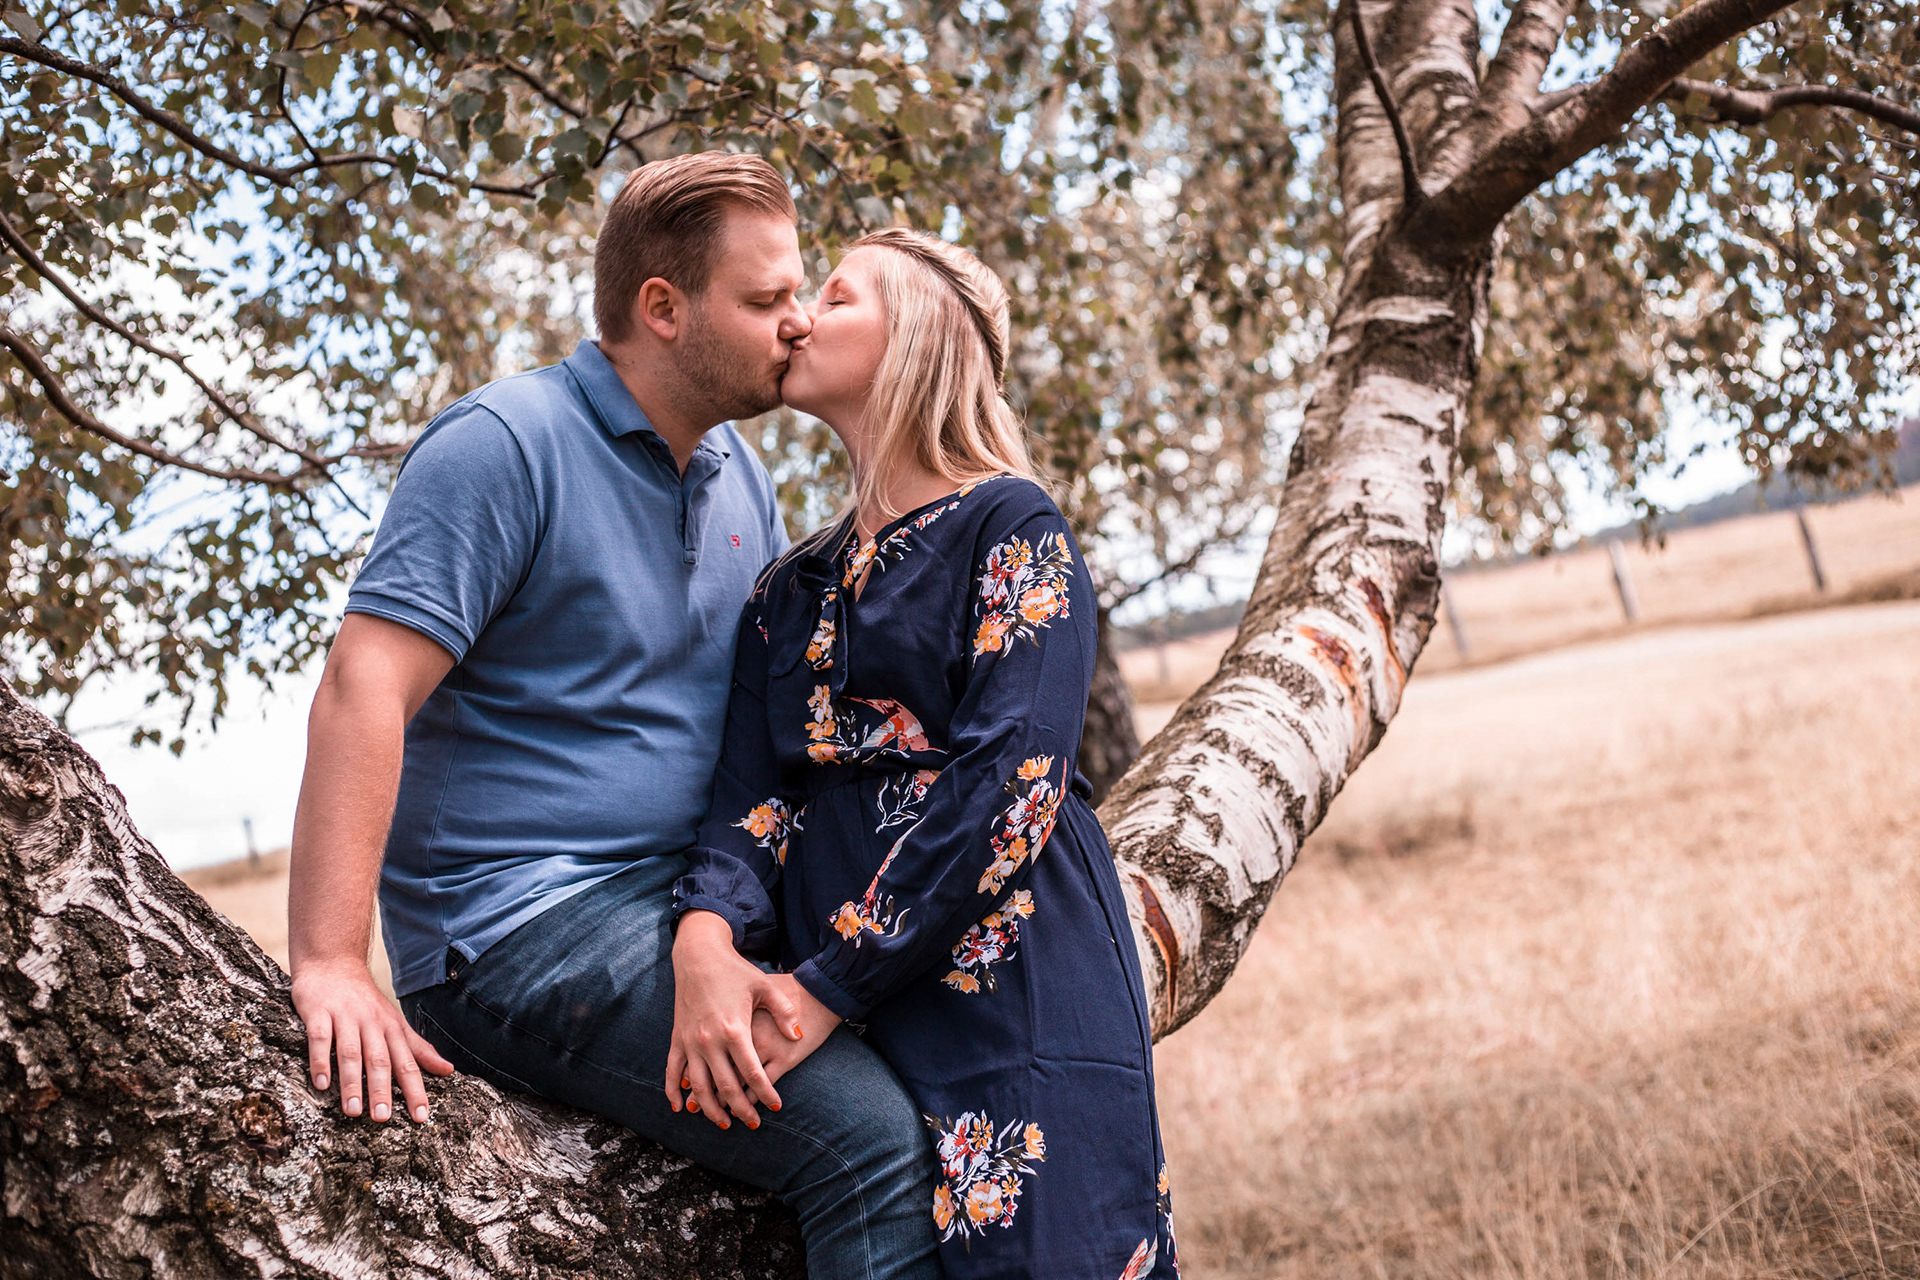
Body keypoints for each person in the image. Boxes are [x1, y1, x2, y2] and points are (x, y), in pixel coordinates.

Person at [286, 152, 942, 1279]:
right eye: (765, 298)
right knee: (872, 1146)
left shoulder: (739, 474)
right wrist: (332, 961)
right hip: (521, 924)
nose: (797, 321)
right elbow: (363, 686)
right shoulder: (504, 444)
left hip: (689, 901)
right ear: (663, 308)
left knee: (940, 1028)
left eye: (800, 292)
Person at [667, 228, 1178, 1278]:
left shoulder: (1011, 523)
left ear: (920, 336)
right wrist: (704, 941)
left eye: (836, 296)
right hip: (823, 993)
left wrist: (830, 986)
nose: (798, 317)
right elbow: (745, 802)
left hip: (1011, 984)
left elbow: (1012, 783)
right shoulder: (786, 588)